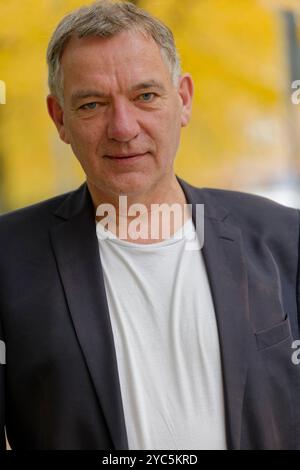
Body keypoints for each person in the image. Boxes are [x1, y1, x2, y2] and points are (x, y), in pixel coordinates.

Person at [0, 0, 300, 450]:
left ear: (183, 100)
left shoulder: (285, 240)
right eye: (92, 104)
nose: (123, 127)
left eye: (145, 96)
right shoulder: (7, 259)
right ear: (59, 118)